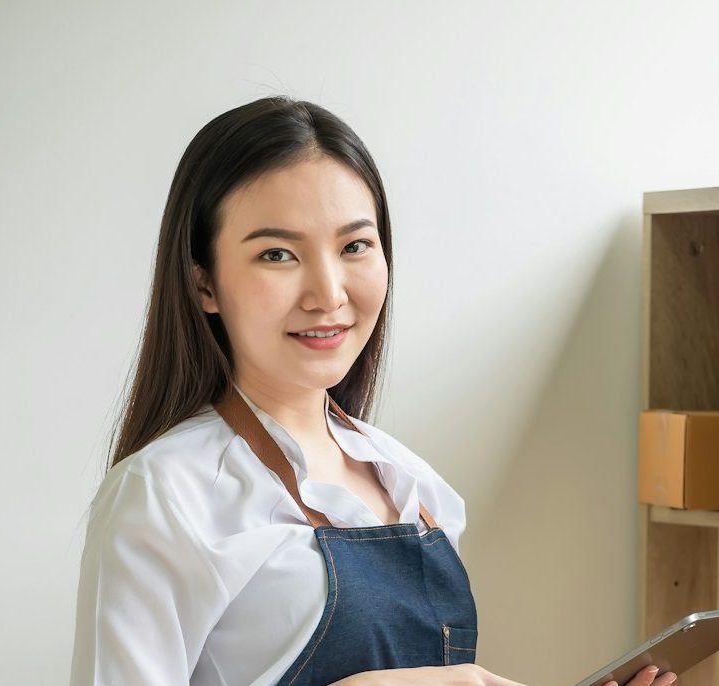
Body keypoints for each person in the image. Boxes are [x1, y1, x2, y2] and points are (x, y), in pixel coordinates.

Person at [68, 97, 676, 686]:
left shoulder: (415, 485)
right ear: (204, 283)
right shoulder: (163, 494)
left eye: (354, 245)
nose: (328, 293)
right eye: (278, 254)